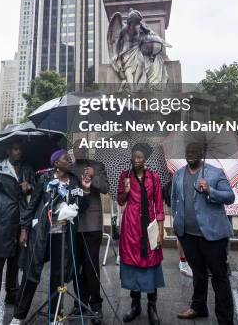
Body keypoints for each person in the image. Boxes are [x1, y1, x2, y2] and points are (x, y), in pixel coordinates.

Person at [11, 149, 92, 325]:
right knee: (31, 273)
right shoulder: (44, 178)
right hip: (42, 232)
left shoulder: (75, 181)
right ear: (56, 163)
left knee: (59, 274)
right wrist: (24, 229)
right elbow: (32, 205)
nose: (71, 161)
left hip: (63, 234)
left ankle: (54, 315)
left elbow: (81, 207)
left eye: (70, 158)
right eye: (66, 159)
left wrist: (85, 190)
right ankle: (18, 315)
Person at [172, 143, 235, 324]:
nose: (190, 155)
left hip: (213, 236)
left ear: (202, 153)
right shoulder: (179, 174)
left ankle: (225, 319)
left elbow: (229, 197)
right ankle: (198, 307)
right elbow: (175, 200)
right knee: (198, 274)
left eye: (194, 152)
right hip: (188, 235)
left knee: (219, 276)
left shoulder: (215, 173)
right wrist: (176, 224)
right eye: (188, 152)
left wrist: (209, 190)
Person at [0, 141, 35, 320]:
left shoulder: (28, 169)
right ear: (8, 150)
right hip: (2, 220)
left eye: (20, 148)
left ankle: (12, 293)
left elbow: (35, 194)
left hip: (21, 220)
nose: (18, 151)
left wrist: (29, 188)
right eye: (15, 148)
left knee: (15, 260)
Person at [117, 144, 165, 325]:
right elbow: (120, 200)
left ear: (145, 159)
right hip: (130, 226)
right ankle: (135, 305)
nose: (137, 160)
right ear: (131, 158)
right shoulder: (125, 176)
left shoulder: (154, 177)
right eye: (134, 157)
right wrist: (126, 191)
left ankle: (152, 306)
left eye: (140, 157)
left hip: (149, 226)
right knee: (132, 265)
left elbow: (159, 206)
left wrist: (160, 231)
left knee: (151, 263)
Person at [71, 139, 110, 323]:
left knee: (91, 266)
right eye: (77, 148)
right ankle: (79, 302)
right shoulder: (69, 168)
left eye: (83, 148)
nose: (80, 151)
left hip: (92, 224)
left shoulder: (97, 166)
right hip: (73, 223)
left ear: (87, 150)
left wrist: (93, 177)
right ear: (73, 150)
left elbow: (105, 188)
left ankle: (96, 306)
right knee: (76, 266)